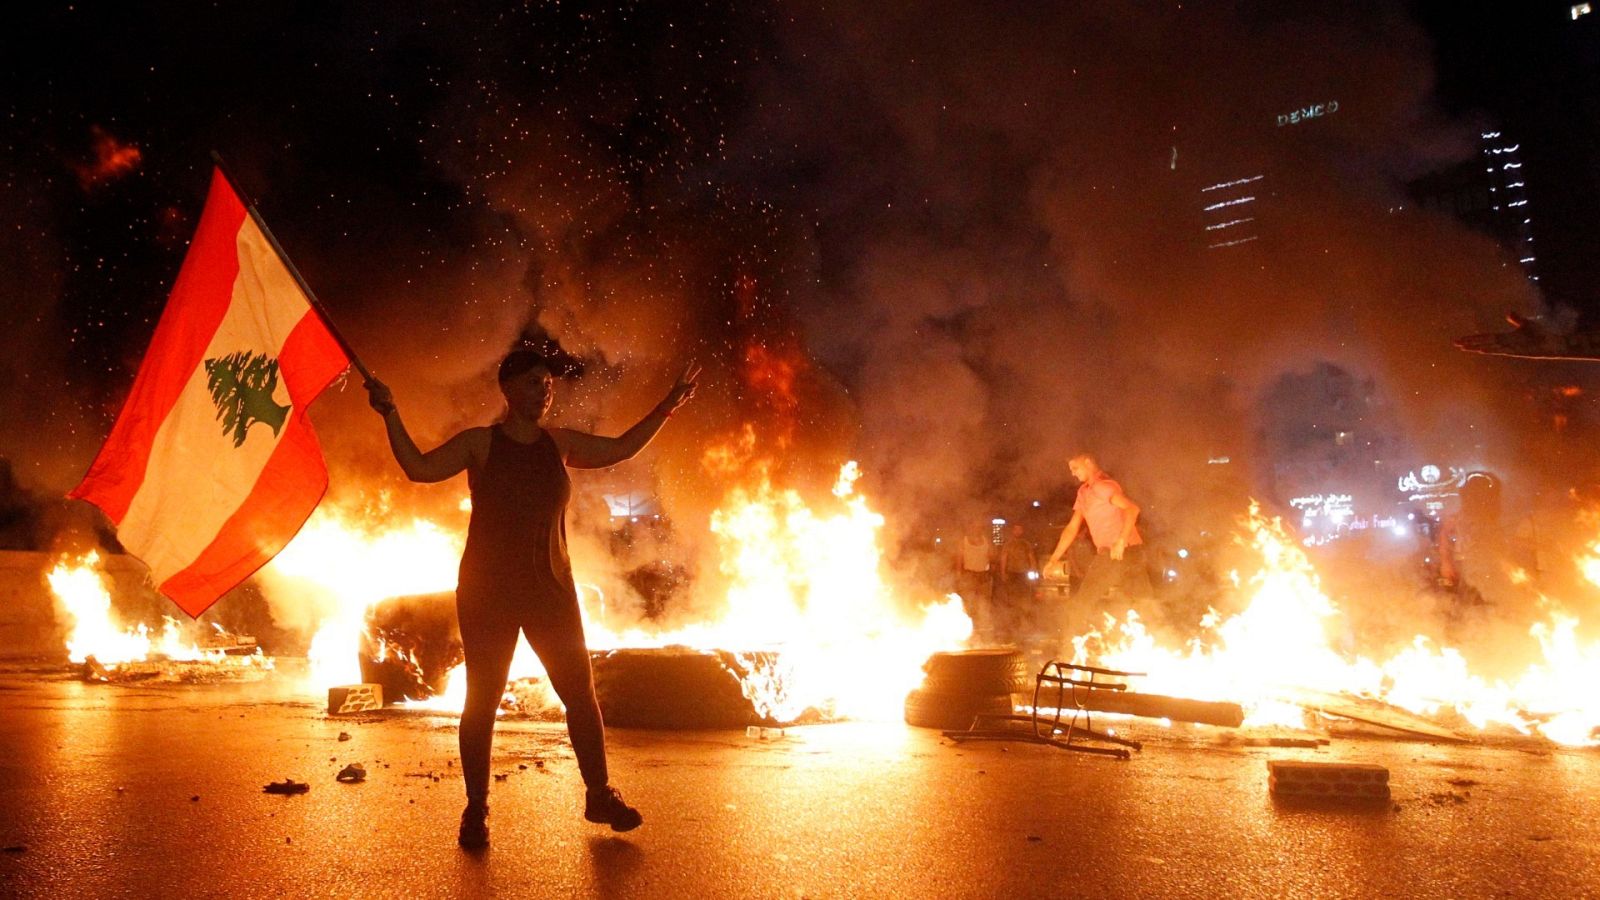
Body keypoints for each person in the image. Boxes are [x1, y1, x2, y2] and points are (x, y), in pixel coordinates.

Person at [365, 349, 698, 849]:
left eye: (548, 384)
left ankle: (599, 794)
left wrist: (667, 406)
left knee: (580, 698)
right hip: (488, 593)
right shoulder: (481, 444)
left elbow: (622, 448)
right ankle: (475, 809)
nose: (544, 391)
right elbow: (418, 468)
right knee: (482, 702)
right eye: (533, 383)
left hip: (551, 591)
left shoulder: (557, 444)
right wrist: (390, 413)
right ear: (507, 389)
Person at [1043, 454, 1152, 614]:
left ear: (1088, 462)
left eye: (1075, 468)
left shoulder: (1104, 487)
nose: (1073, 473)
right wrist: (1054, 559)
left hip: (1123, 551)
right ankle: (1160, 632)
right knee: (1143, 602)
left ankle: (1074, 637)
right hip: (1115, 552)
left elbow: (1132, 509)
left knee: (1083, 602)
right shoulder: (1083, 492)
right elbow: (1072, 528)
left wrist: (1121, 541)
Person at [996, 522, 1039, 642]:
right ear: (1013, 531)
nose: (1018, 532)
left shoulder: (1026, 544)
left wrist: (1034, 571)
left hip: (1023, 574)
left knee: (1025, 598)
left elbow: (1031, 558)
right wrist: (1003, 572)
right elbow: (1004, 558)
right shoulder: (1008, 544)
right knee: (1012, 598)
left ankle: (1024, 622)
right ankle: (1013, 623)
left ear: (1022, 531)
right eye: (1016, 529)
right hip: (1012, 574)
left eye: (1020, 529)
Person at [954, 521, 994, 641]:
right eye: (973, 526)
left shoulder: (986, 542)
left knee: (983, 605)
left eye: (978, 526)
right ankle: (968, 632)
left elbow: (991, 557)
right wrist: (959, 574)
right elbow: (959, 559)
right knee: (968, 603)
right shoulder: (964, 542)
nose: (976, 529)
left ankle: (983, 632)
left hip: (983, 575)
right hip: (969, 575)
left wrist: (991, 570)